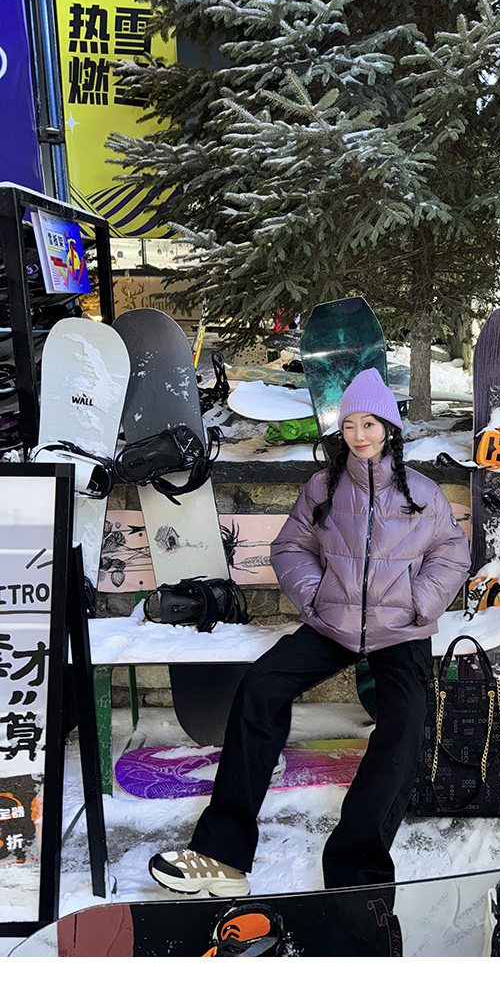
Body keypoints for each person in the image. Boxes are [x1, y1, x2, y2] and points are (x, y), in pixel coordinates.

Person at [149, 368, 471, 897]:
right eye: (349, 425)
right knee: (260, 689)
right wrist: (317, 596)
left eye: (369, 424)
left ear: (389, 428)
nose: (359, 435)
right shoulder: (324, 487)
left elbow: (452, 553)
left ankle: (356, 875)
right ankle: (221, 854)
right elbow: (290, 547)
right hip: (333, 624)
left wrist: (423, 602)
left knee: (407, 722)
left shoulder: (421, 491)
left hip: (400, 630)